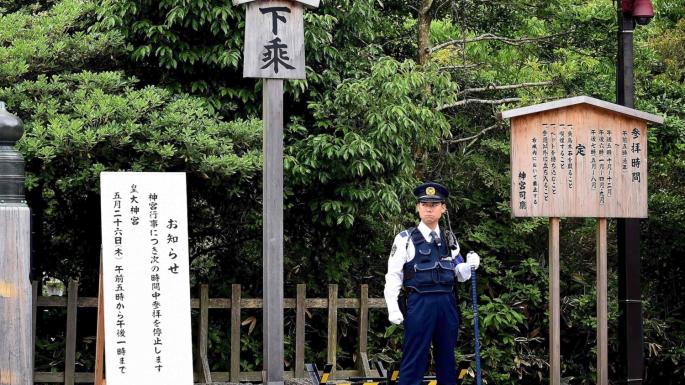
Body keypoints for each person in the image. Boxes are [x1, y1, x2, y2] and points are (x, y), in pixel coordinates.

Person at [384, 181, 480, 385]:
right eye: (424, 204)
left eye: (434, 204)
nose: (429, 208)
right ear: (418, 207)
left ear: (443, 208)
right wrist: (393, 307)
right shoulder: (405, 239)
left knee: (447, 360)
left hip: (447, 304)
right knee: (414, 359)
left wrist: (470, 266)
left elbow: (458, 272)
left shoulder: (449, 238)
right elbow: (393, 276)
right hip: (420, 304)